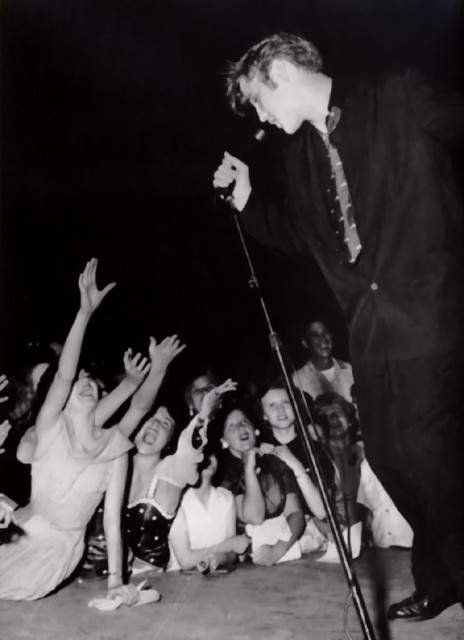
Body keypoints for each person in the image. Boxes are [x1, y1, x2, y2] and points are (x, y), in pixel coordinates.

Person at [213, 32, 464, 620]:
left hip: (432, 308)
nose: (259, 117)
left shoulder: (395, 97)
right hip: (372, 328)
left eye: (256, 100)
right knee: (390, 455)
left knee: (431, 451)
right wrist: (247, 198)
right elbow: (301, 237)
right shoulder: (300, 158)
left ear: (279, 71)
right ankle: (440, 575)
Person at [0, 259, 143, 603]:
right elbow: (65, 378)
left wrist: (115, 581)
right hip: (18, 529)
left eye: (90, 381)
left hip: (52, 549)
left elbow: (112, 520)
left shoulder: (101, 441)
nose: (83, 382)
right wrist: (84, 314)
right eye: (76, 381)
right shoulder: (42, 428)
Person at [126, 378, 237, 574]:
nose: (155, 425)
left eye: (165, 423)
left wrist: (204, 414)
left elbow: (191, 446)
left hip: (149, 580)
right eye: (151, 418)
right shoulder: (116, 464)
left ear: (170, 440)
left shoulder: (171, 471)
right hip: (103, 578)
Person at [218, 397, 305, 566]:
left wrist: (278, 550)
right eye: (232, 426)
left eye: (244, 421)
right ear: (224, 441)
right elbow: (255, 517)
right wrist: (249, 469)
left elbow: (296, 514)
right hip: (248, 564)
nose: (241, 427)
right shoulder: (224, 476)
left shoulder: (276, 462)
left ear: (255, 430)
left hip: (285, 551)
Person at [168, 446, 250, 572]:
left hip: (218, 576)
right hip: (180, 578)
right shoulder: (175, 499)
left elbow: (233, 553)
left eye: (211, 454)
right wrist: (228, 545)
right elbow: (185, 561)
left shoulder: (226, 498)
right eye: (201, 455)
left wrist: (220, 558)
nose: (207, 459)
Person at [292, 320, 353, 402]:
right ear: (305, 343)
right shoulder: (297, 380)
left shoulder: (351, 370)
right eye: (315, 335)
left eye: (325, 333)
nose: (323, 339)